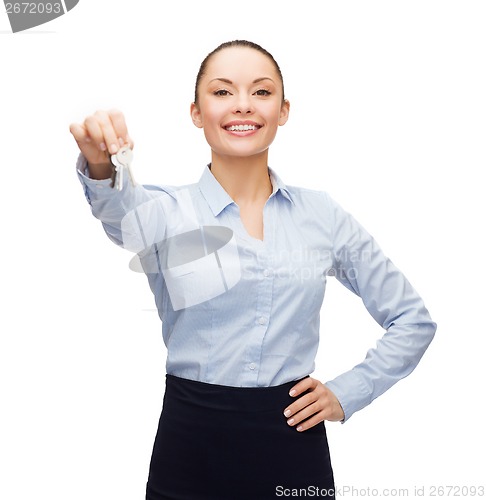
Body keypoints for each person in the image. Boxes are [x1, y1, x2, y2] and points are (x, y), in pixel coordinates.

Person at [70, 40, 436, 500]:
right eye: (222, 92)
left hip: (293, 446)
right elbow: (123, 215)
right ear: (196, 112)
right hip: (190, 448)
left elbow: (412, 320)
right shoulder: (166, 212)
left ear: (283, 111)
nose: (242, 104)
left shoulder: (322, 216)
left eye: (261, 92)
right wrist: (104, 165)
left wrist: (348, 392)